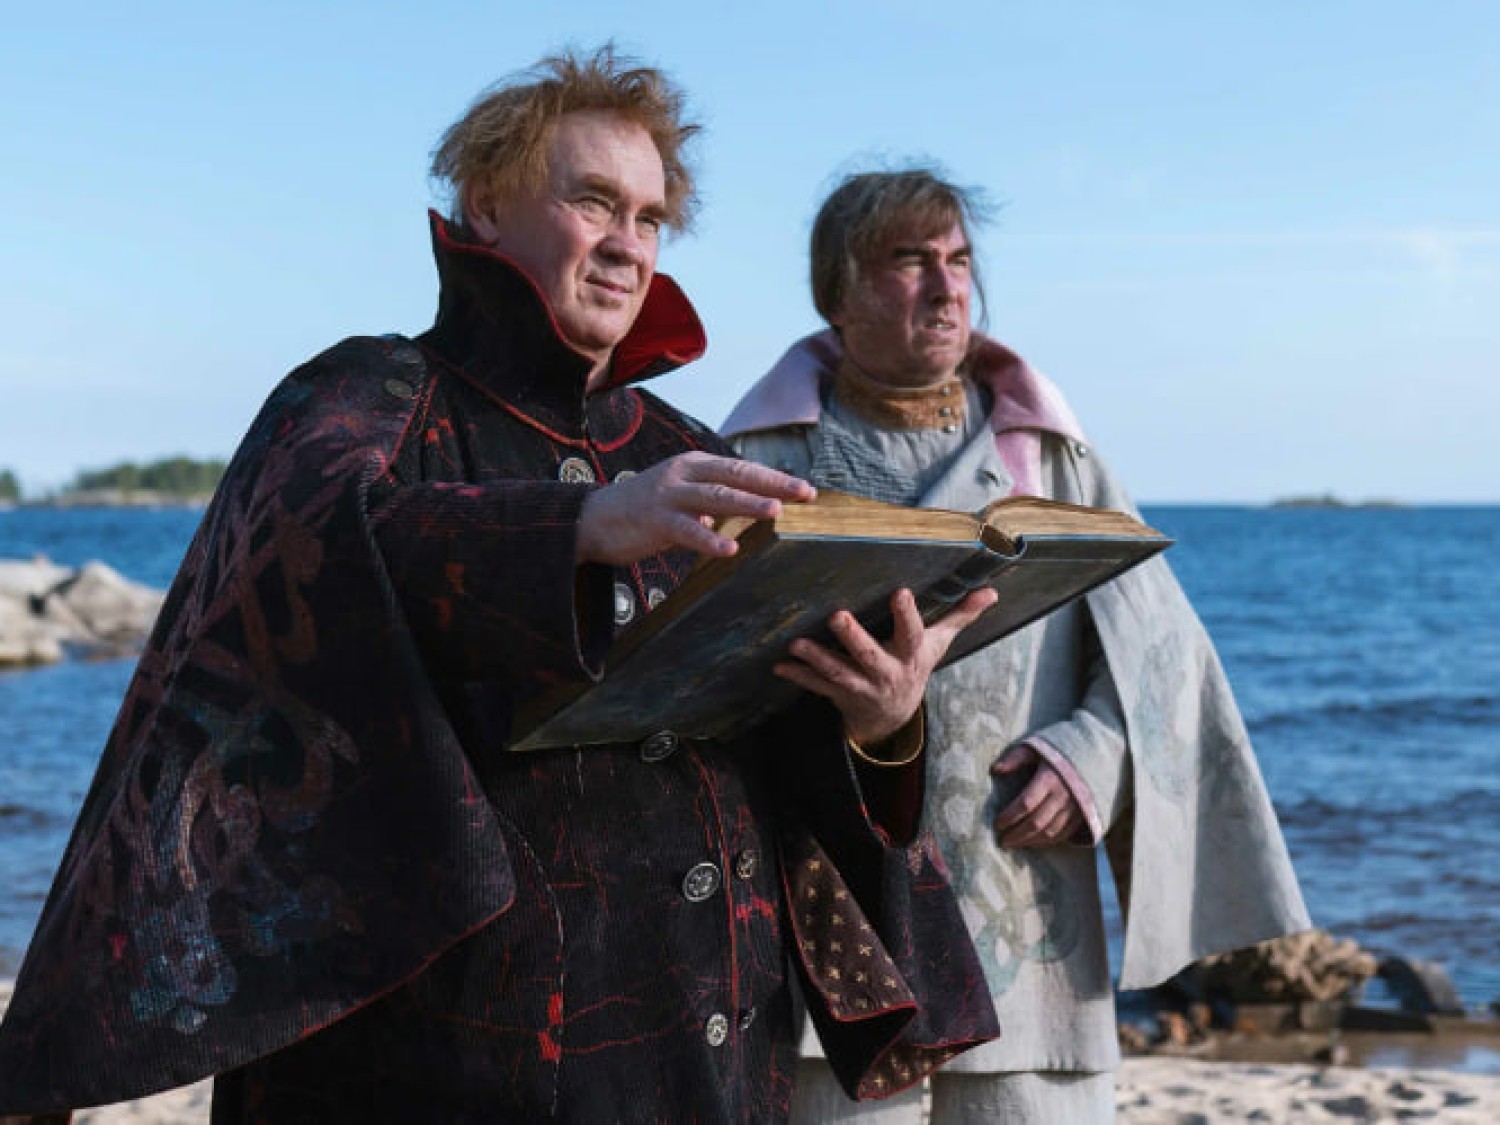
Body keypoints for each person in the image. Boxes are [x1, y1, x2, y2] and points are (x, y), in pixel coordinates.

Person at [0, 57, 1001, 1123]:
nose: (628, 244)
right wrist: (574, 526)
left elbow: (770, 740)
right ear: (486, 201)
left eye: (650, 218)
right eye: (594, 202)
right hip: (433, 1073)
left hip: (704, 1063)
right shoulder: (368, 393)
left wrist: (878, 724)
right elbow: (315, 561)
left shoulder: (681, 447)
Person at [724, 168, 1311, 1123]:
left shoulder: (1052, 459)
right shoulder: (757, 462)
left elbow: (1162, 656)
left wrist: (1091, 760)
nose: (946, 287)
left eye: (959, 261)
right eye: (910, 261)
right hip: (826, 959)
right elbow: (699, 691)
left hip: (1027, 930)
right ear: (838, 292)